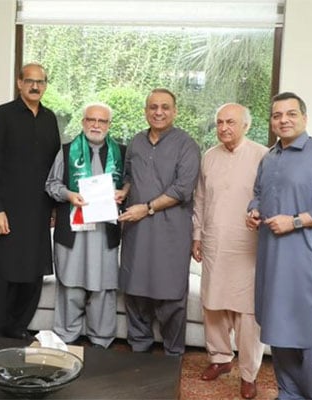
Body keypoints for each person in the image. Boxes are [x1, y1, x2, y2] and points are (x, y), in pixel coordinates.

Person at [245, 92, 312, 399]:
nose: (283, 120)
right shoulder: (269, 158)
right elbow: (258, 194)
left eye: (291, 114)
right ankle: (288, 394)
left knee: (309, 335)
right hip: (271, 261)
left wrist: (296, 221)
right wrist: (253, 210)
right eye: (277, 115)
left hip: (306, 263)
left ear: (304, 118)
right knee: (278, 331)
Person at [0, 63, 60, 339]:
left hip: (38, 212)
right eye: (30, 81)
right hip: (7, 211)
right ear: (19, 83)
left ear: (45, 85)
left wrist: (53, 208)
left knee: (32, 274)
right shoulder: (2, 116)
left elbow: (54, 167)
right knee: (2, 274)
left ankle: (17, 329)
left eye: (40, 82)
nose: (35, 86)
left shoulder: (49, 118)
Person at [117, 88, 200, 355]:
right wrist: (124, 192)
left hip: (171, 232)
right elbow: (129, 176)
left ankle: (173, 354)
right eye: (153, 107)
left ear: (175, 111)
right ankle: (138, 349)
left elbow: (182, 189)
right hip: (136, 232)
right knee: (135, 291)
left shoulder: (187, 144)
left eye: (165, 107)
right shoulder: (136, 142)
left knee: (171, 295)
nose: (159, 112)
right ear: (146, 111)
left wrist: (147, 208)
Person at [191, 103, 267, 399]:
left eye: (231, 122)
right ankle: (220, 358)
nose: (224, 128)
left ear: (246, 126)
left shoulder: (263, 156)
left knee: (247, 312)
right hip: (214, 241)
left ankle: (249, 374)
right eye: (220, 122)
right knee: (212, 304)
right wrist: (197, 235)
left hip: (249, 245)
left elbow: (270, 198)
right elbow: (200, 199)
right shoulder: (209, 156)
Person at [45, 103, 125, 348]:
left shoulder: (121, 152)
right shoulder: (66, 151)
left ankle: (101, 340)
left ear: (109, 125)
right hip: (74, 231)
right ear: (83, 122)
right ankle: (66, 337)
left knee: (103, 287)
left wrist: (124, 192)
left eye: (102, 121)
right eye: (91, 120)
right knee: (70, 285)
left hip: (104, 232)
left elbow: (131, 183)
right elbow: (51, 184)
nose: (96, 125)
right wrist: (69, 195)